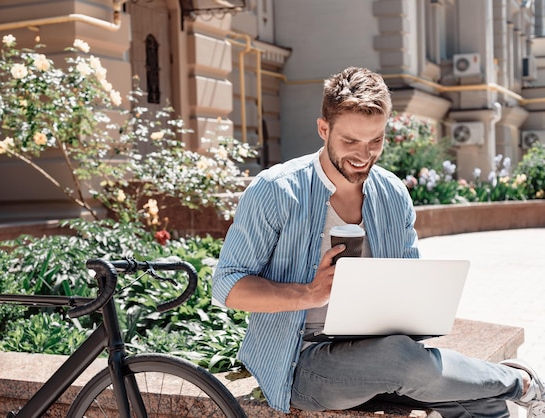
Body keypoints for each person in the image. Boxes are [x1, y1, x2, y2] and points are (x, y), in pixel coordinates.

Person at [212, 66, 545, 417]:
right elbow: (227, 286)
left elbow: (409, 286)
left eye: (376, 141)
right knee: (402, 360)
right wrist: (309, 293)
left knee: (482, 402)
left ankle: (506, 390)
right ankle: (521, 382)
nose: (364, 155)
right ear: (323, 129)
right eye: (350, 141)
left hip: (380, 350)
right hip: (300, 361)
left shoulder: (392, 193)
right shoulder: (276, 191)